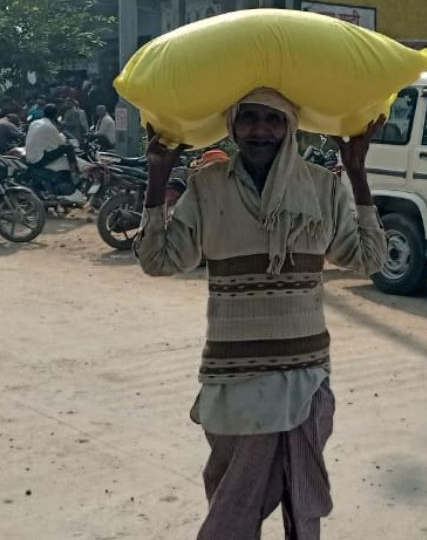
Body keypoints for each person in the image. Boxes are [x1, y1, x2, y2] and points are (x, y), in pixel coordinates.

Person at [135, 88, 387, 538]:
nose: (260, 130)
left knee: (302, 504)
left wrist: (357, 170)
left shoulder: (323, 186)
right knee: (231, 505)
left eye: (272, 119)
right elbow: (158, 261)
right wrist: (158, 176)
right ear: (232, 127)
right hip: (234, 379)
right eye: (249, 118)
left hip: (304, 377)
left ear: (290, 127)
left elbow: (368, 258)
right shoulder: (206, 186)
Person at [26, 104, 83, 202]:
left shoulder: (34, 123)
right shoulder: (50, 127)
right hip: (39, 159)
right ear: (55, 115)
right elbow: (60, 143)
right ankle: (74, 171)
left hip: (30, 156)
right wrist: (61, 133)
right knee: (68, 147)